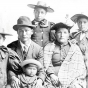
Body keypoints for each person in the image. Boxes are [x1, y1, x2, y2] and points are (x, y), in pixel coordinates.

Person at [44, 22, 86, 88]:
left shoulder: (74, 48)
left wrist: (71, 80)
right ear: (55, 34)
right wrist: (51, 74)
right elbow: (46, 63)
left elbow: (79, 66)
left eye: (65, 32)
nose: (62, 35)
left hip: (71, 78)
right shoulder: (48, 47)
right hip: (52, 78)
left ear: (68, 34)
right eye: (59, 32)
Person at [7, 16, 45, 87]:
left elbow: (41, 70)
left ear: (32, 32)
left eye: (26, 30)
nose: (24, 34)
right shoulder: (10, 47)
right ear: (17, 32)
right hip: (16, 81)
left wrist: (39, 81)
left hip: (32, 80)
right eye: (21, 31)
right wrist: (13, 77)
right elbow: (8, 67)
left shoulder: (38, 49)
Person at [71, 13, 88, 88]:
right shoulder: (75, 35)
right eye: (79, 22)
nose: (82, 24)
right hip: (78, 65)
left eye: (84, 22)